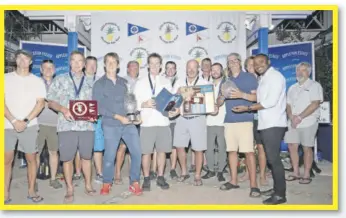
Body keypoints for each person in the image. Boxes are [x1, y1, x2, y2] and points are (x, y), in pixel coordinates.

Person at [233, 53, 287, 205]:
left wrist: (247, 108)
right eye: (255, 64)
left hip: (274, 124)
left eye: (261, 62)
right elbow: (260, 98)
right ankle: (277, 188)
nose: (258, 66)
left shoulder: (275, 77)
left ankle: (280, 195)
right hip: (266, 123)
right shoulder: (264, 78)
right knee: (271, 158)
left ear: (268, 62)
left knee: (274, 160)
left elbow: (269, 102)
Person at [48, 51, 96, 203]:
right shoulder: (60, 79)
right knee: (67, 159)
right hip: (66, 125)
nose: (77, 64)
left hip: (87, 126)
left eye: (80, 61)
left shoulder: (92, 81)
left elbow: (99, 102)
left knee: (87, 157)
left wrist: (96, 111)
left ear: (84, 63)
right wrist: (63, 109)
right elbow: (50, 101)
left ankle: (88, 184)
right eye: (74, 61)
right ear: (69, 62)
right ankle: (69, 188)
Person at [92, 52, 142, 196]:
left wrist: (136, 116)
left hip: (128, 123)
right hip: (110, 124)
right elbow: (98, 107)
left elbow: (130, 102)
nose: (112, 64)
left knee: (137, 152)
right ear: (105, 64)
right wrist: (118, 117)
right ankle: (107, 183)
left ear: (118, 65)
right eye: (109, 62)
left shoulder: (124, 83)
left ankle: (135, 182)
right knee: (109, 155)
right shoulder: (99, 84)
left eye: (114, 62)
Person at [5, 49, 46, 203]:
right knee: (6, 161)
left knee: (31, 159)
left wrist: (25, 121)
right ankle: (5, 194)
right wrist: (14, 121)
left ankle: (31, 191)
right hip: (7, 125)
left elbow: (40, 103)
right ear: (16, 61)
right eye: (20, 58)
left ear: (30, 62)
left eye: (26, 58)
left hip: (30, 126)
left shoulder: (37, 81)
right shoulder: (5, 78)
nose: (23, 61)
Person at [134, 53, 180, 191]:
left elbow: (172, 102)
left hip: (163, 122)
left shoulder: (166, 82)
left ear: (161, 66)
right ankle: (147, 178)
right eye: (151, 63)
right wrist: (144, 104)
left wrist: (174, 110)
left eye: (157, 63)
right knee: (146, 152)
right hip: (147, 123)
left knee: (162, 152)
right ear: (148, 65)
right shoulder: (140, 82)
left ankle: (160, 177)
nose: (154, 66)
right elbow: (133, 103)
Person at [217, 53, 260, 197]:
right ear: (228, 64)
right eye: (230, 61)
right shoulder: (225, 81)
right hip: (229, 120)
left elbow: (256, 98)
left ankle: (254, 186)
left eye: (235, 60)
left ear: (240, 62)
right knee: (231, 152)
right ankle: (233, 181)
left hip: (245, 119)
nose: (233, 63)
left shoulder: (249, 77)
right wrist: (221, 98)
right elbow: (218, 102)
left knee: (248, 152)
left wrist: (242, 95)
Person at [173, 59, 211, 186]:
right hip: (181, 118)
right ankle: (184, 172)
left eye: (194, 67)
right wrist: (177, 94)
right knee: (179, 146)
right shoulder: (178, 83)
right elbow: (173, 102)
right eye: (189, 67)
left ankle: (198, 175)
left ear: (198, 69)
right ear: (186, 69)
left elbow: (209, 104)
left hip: (197, 119)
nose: (191, 70)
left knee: (198, 149)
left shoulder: (204, 83)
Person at [285, 62, 323, 184]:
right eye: (298, 70)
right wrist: (291, 117)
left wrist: (300, 117)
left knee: (307, 148)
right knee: (292, 146)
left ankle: (306, 174)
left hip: (308, 121)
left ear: (309, 72)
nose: (300, 73)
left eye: (303, 70)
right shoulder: (292, 88)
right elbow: (288, 104)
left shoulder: (314, 86)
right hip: (292, 122)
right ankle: (296, 172)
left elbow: (315, 103)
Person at [238, 56, 269, 186]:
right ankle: (247, 173)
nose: (252, 68)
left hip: (260, 118)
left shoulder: (263, 80)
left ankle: (262, 175)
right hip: (247, 118)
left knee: (261, 147)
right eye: (249, 66)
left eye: (254, 65)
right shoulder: (244, 81)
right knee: (247, 148)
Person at [36, 59, 62, 189]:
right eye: (45, 67)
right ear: (41, 70)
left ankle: (53, 179)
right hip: (37, 123)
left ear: (54, 70)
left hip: (54, 124)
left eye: (51, 67)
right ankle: (32, 181)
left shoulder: (59, 84)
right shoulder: (35, 83)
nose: (48, 70)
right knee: (36, 153)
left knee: (53, 152)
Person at [115, 60, 140, 185]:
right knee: (122, 147)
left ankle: (133, 174)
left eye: (136, 67)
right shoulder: (121, 81)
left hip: (138, 118)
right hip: (125, 117)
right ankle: (117, 172)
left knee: (135, 148)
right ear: (127, 68)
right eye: (132, 66)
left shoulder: (142, 82)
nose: (134, 68)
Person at [74, 56, 98, 182]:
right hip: (81, 119)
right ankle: (78, 172)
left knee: (96, 147)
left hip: (97, 119)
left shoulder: (99, 81)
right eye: (90, 64)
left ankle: (97, 172)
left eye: (95, 65)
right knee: (79, 147)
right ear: (84, 65)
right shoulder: (78, 80)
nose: (92, 67)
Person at [202, 63, 227, 182]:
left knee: (222, 148)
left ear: (222, 71)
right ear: (210, 72)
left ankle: (221, 171)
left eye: (218, 69)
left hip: (223, 121)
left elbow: (223, 99)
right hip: (209, 121)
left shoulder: (226, 84)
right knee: (209, 148)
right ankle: (211, 170)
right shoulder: (207, 86)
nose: (215, 72)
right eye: (213, 70)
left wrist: (217, 104)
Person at [163, 61, 179, 179]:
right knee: (160, 146)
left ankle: (173, 168)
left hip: (175, 119)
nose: (170, 70)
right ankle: (157, 170)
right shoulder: (160, 81)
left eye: (172, 68)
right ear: (164, 70)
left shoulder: (180, 83)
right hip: (162, 118)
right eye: (168, 68)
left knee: (174, 145)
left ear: (175, 70)